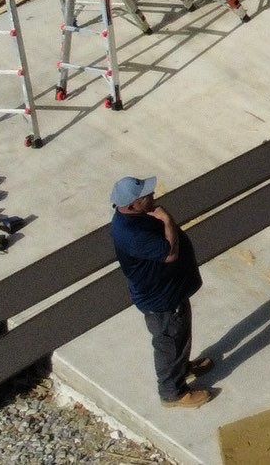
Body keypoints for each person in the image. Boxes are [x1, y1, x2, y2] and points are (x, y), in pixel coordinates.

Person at [109, 175, 215, 409]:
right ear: (132, 205)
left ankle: (182, 367)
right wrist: (167, 220)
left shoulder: (136, 216)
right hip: (161, 301)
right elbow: (170, 253)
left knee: (180, 335)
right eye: (146, 196)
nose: (153, 196)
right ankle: (173, 393)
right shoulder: (131, 234)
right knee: (169, 344)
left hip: (170, 291)